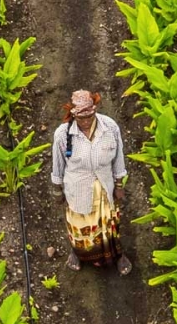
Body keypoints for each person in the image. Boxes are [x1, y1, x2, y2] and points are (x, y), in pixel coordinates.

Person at [52, 90, 131, 274]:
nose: (86, 121)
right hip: (78, 190)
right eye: (81, 118)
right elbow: (58, 165)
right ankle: (78, 254)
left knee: (109, 228)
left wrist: (119, 185)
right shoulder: (63, 135)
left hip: (104, 188)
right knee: (80, 229)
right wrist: (58, 191)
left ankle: (118, 256)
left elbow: (118, 158)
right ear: (73, 115)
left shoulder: (109, 127)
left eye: (90, 116)